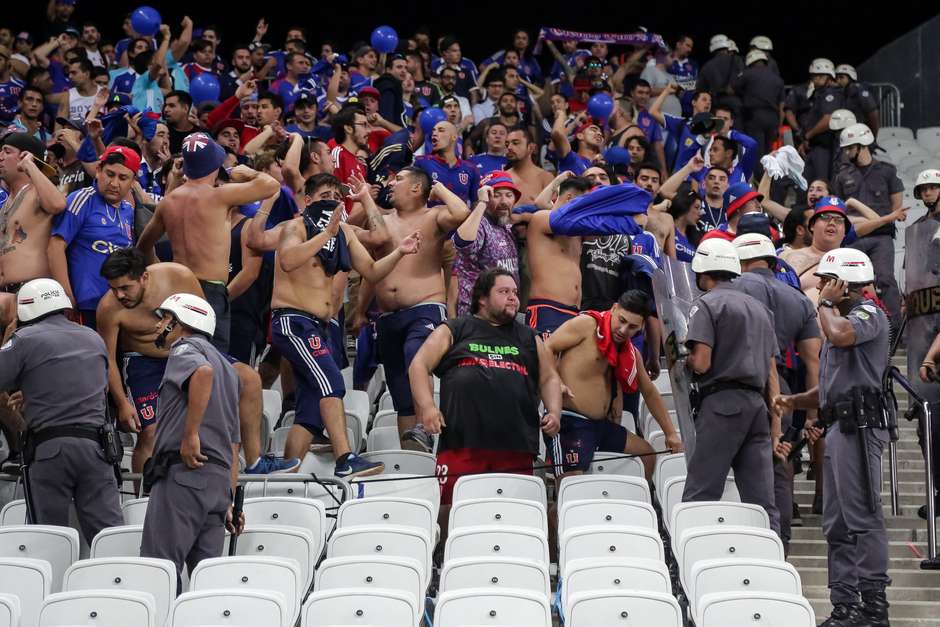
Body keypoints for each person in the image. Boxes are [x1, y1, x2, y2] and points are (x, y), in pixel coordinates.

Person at [246, 174, 421, 477]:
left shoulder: (344, 232)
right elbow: (287, 260)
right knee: (332, 383)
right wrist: (324, 233)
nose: (331, 201)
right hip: (293, 321)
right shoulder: (295, 227)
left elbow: (372, 270)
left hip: (322, 327)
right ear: (309, 200)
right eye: (324, 195)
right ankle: (345, 459)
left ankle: (285, 479)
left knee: (311, 412)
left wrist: (399, 252)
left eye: (336, 196)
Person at [96, 248, 298, 475]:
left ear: (144, 277)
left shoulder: (178, 276)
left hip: (191, 350)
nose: (120, 295)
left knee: (249, 378)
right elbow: (109, 359)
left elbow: (204, 318)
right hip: (144, 362)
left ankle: (254, 461)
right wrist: (122, 403)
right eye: (113, 289)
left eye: (125, 288)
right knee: (150, 432)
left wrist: (207, 358)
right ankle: (146, 495)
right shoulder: (109, 308)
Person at [774, 249, 891, 627]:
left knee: (863, 518)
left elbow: (841, 337)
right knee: (837, 524)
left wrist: (824, 305)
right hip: (838, 425)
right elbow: (828, 389)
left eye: (827, 280)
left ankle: (874, 607)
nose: (821, 286)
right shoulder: (837, 320)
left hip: (860, 427)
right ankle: (845, 606)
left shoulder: (866, 315)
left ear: (844, 283)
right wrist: (792, 400)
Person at [408, 269, 561, 522]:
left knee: (514, 515)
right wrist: (427, 407)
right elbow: (419, 364)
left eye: (514, 292)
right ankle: (446, 558)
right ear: (482, 298)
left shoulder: (528, 336)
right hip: (462, 442)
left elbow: (549, 377)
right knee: (451, 510)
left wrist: (554, 411)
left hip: (516, 445)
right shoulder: (456, 328)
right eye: (503, 292)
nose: (513, 298)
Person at [0, 278, 123, 544]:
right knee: (108, 537)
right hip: (98, 450)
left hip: (50, 451)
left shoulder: (24, 339)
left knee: (49, 539)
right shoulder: (93, 337)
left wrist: (9, 336)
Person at [137, 133, 280, 351]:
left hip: (178, 290)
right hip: (210, 291)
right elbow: (270, 185)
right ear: (214, 164)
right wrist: (247, 172)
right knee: (212, 361)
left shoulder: (169, 202)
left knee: (182, 356)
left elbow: (143, 246)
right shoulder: (219, 196)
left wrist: (164, 274)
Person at [139, 293, 243, 591]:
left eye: (164, 319)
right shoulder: (230, 370)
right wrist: (230, 500)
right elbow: (234, 443)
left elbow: (202, 373)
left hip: (184, 476)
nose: (159, 327)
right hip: (217, 486)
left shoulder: (185, 348)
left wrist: (190, 434)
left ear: (178, 322)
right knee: (207, 586)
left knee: (158, 576)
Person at [683, 238, 784, 534]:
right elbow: (772, 373)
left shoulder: (706, 304)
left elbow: (701, 362)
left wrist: (683, 358)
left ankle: (693, 565)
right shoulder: (760, 309)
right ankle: (772, 561)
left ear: (703, 271)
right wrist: (776, 426)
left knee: (700, 495)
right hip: (758, 408)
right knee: (762, 502)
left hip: (722, 405)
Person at [368, 167, 470, 449]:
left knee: (417, 356)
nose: (391, 183)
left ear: (416, 188)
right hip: (388, 316)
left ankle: (426, 421)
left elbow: (461, 213)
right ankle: (412, 460)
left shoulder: (433, 216)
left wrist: (438, 189)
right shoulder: (383, 220)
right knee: (400, 392)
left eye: (399, 179)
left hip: (425, 306)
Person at [732, 233, 822, 553]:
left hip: (737, 383)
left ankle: (742, 546)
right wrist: (811, 416)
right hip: (783, 389)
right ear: (773, 260)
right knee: (779, 465)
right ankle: (780, 545)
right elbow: (813, 362)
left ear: (738, 260)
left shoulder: (734, 288)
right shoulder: (797, 298)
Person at [546, 290, 683, 479]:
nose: (623, 330)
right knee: (571, 490)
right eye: (622, 320)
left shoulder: (632, 353)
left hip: (601, 426)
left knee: (647, 456)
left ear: (642, 327)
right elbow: (547, 347)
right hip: (571, 421)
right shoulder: (586, 325)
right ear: (614, 309)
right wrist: (556, 381)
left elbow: (650, 392)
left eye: (632, 327)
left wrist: (670, 434)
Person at [48, 145, 138, 329]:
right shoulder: (82, 199)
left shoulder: (128, 210)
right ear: (98, 171)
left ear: (133, 181)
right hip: (85, 305)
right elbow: (55, 246)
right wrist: (66, 295)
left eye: (123, 178)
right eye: (110, 174)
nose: (114, 183)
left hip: (120, 305)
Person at [832, 123, 904, 323]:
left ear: (862, 145)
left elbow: (896, 206)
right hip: (854, 237)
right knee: (853, 282)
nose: (846, 152)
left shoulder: (887, 171)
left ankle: (895, 330)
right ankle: (856, 325)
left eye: (850, 147)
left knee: (885, 279)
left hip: (882, 236)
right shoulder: (842, 175)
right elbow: (838, 208)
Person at [904, 169, 940, 519]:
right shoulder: (915, 230)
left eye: (934, 186)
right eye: (924, 187)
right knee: (925, 419)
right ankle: (936, 492)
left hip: (936, 327)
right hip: (919, 328)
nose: (928, 191)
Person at [0, 133, 66, 291]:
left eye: (7, 152)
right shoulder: (5, 203)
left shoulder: (38, 193)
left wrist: (30, 166)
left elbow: (57, 205)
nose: (0, 156)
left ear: (26, 157)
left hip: (35, 291)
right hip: (7, 295)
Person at [452, 173, 520, 316]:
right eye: (496, 195)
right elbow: (462, 243)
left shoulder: (507, 227)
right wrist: (482, 202)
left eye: (509, 195)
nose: (504, 201)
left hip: (503, 315)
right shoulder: (480, 224)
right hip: (477, 316)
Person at [785, 59, 843, 184]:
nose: (813, 80)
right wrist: (806, 140)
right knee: (807, 182)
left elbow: (828, 120)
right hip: (813, 145)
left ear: (826, 75)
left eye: (816, 76)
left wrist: (807, 136)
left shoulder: (831, 94)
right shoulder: (820, 93)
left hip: (825, 146)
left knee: (821, 182)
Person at [733, 50, 784, 164]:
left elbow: (732, 89)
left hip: (755, 117)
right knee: (769, 153)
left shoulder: (747, 74)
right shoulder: (778, 79)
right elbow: (782, 107)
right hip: (773, 119)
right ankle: (768, 179)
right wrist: (778, 126)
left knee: (756, 152)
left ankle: (757, 180)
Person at [414, 121, 480, 207]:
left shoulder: (471, 169)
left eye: (441, 130)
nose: (434, 134)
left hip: (460, 219)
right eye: (433, 131)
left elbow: (475, 203)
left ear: (454, 137)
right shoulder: (421, 162)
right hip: (429, 218)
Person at [505, 127, 554, 205]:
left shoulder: (545, 177)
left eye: (515, 143)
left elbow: (554, 212)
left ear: (531, 147)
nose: (509, 147)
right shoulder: (503, 177)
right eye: (507, 144)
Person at [835, 64, 879, 136]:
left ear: (851, 78)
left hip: (861, 133)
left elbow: (873, 114)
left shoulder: (860, 92)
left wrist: (875, 136)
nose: (838, 81)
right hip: (849, 132)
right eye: (837, 78)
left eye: (841, 77)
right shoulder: (844, 92)